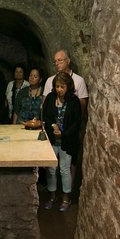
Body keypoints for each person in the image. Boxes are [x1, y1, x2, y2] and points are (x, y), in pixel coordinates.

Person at [41, 72, 82, 212]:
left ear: (68, 87)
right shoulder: (51, 98)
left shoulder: (74, 101)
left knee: (65, 169)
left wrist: (63, 133)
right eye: (57, 86)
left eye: (62, 87)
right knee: (51, 169)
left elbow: (76, 123)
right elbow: (46, 115)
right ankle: (52, 196)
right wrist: (53, 126)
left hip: (67, 141)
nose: (59, 89)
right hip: (52, 140)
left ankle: (66, 198)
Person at [43, 50, 88, 118]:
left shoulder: (79, 80)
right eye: (55, 61)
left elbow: (82, 107)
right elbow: (45, 105)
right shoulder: (50, 80)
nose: (57, 63)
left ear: (68, 61)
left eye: (60, 60)